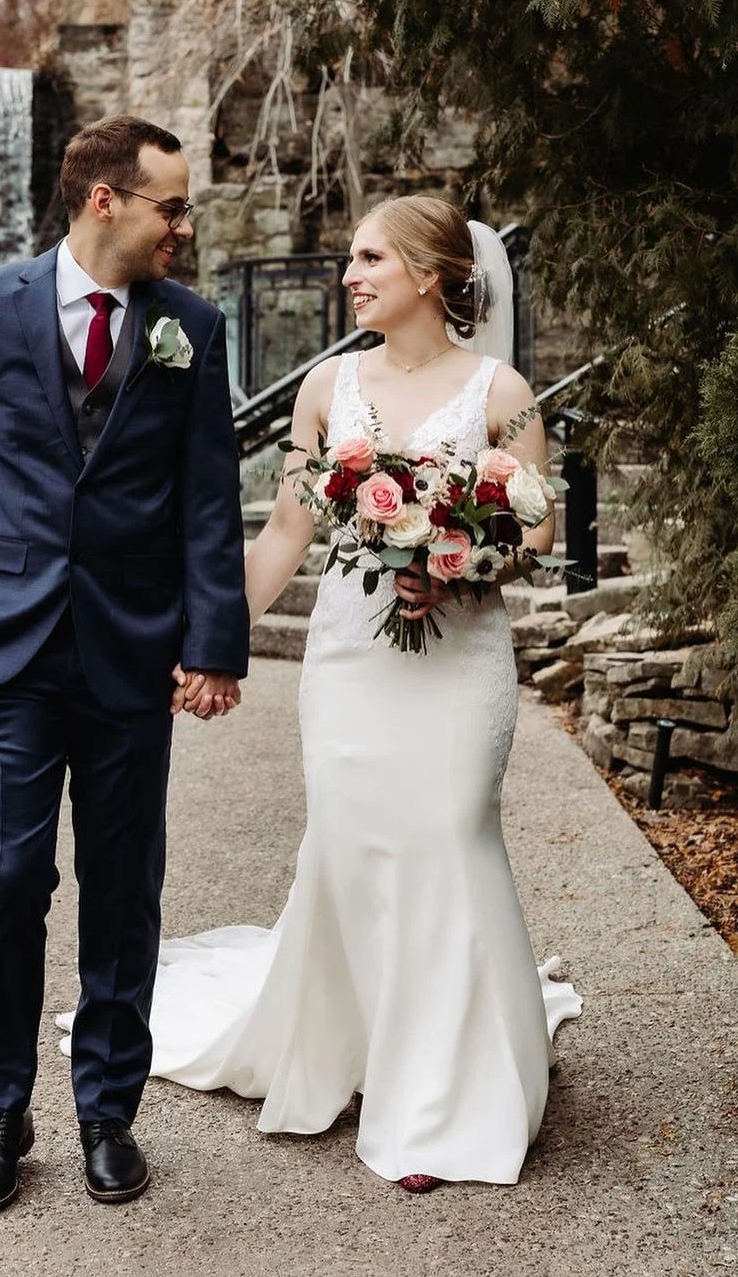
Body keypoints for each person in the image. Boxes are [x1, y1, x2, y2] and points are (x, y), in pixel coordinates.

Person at [107, 195, 581, 1192]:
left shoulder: (505, 393)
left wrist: (461, 565)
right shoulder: (326, 388)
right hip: (352, 654)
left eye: (370, 257)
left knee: (450, 832)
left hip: (460, 655)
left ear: (427, 271)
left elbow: (536, 530)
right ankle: (363, 1049)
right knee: (354, 842)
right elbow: (285, 534)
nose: (350, 273)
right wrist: (205, 640)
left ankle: (442, 1099)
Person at [0, 115, 250, 1214]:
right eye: (172, 206)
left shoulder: (190, 327)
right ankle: (2, 1106)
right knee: (6, 882)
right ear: (105, 200)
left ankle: (109, 1107)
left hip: (129, 652)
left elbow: (207, 498)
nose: (184, 227)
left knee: (124, 888)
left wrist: (213, 642)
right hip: (3, 648)